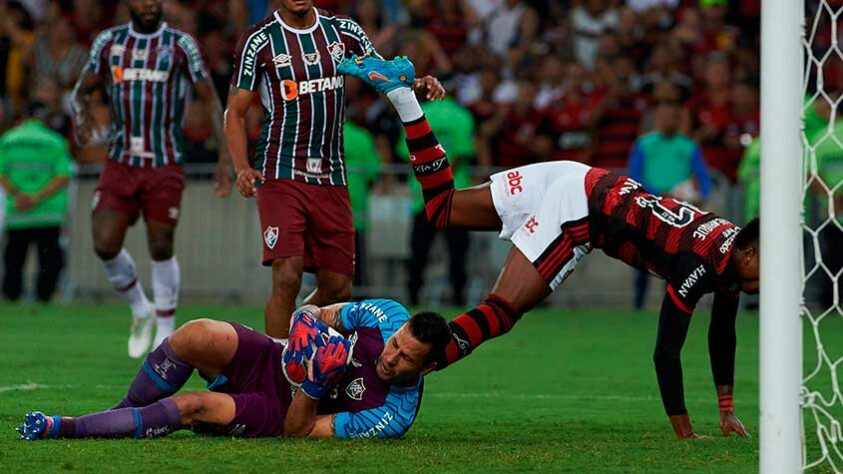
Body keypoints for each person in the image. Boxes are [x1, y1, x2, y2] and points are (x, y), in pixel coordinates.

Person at [341, 55, 759, 439]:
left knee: (442, 208)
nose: (768, 282)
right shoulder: (698, 266)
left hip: (578, 175)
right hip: (581, 209)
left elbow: (723, 331)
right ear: (750, 254)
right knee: (501, 311)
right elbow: (666, 350)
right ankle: (409, 365)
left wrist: (725, 409)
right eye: (768, 270)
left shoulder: (728, 245)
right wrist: (685, 432)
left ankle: (402, 98)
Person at [223, 0, 445, 339]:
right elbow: (234, 112)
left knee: (338, 289)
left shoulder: (343, 30)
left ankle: (292, 334)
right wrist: (241, 167)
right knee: (287, 274)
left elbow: (383, 73)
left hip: (332, 175)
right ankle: (278, 373)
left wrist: (416, 84)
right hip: (281, 170)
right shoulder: (260, 40)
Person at [16, 299, 450, 440]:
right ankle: (122, 412)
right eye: (395, 345)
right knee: (195, 333)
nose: (390, 357)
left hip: (277, 407)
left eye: (406, 359)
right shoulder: (386, 314)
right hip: (273, 358)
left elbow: (298, 432)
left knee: (191, 405)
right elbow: (321, 312)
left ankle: (67, 427)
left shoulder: (392, 414)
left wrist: (315, 382)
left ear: (428, 367)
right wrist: (304, 320)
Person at [71, 0, 231, 358]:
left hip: (165, 162)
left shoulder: (179, 44)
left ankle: (164, 330)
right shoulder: (109, 43)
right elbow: (83, 87)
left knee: (160, 244)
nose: (148, 4)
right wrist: (82, 113)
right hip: (120, 159)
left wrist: (225, 156)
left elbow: (209, 98)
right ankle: (140, 309)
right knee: (104, 243)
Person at [628, 80, 712, 310]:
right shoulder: (643, 144)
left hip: (678, 212)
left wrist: (700, 197)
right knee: (642, 260)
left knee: (675, 261)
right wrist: (657, 193)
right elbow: (634, 176)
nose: (668, 120)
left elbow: (704, 179)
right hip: (649, 208)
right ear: (657, 118)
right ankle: (637, 306)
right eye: (664, 116)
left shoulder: (688, 146)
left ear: (678, 119)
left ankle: (673, 307)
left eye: (673, 117)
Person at [0, 105, 72, 302]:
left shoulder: (7, 140)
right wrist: (37, 198)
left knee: (14, 258)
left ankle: (11, 295)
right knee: (48, 260)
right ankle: (44, 296)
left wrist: (19, 196)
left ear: (24, 116)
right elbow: (62, 177)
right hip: (48, 212)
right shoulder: (55, 141)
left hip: (17, 211)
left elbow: (2, 173)